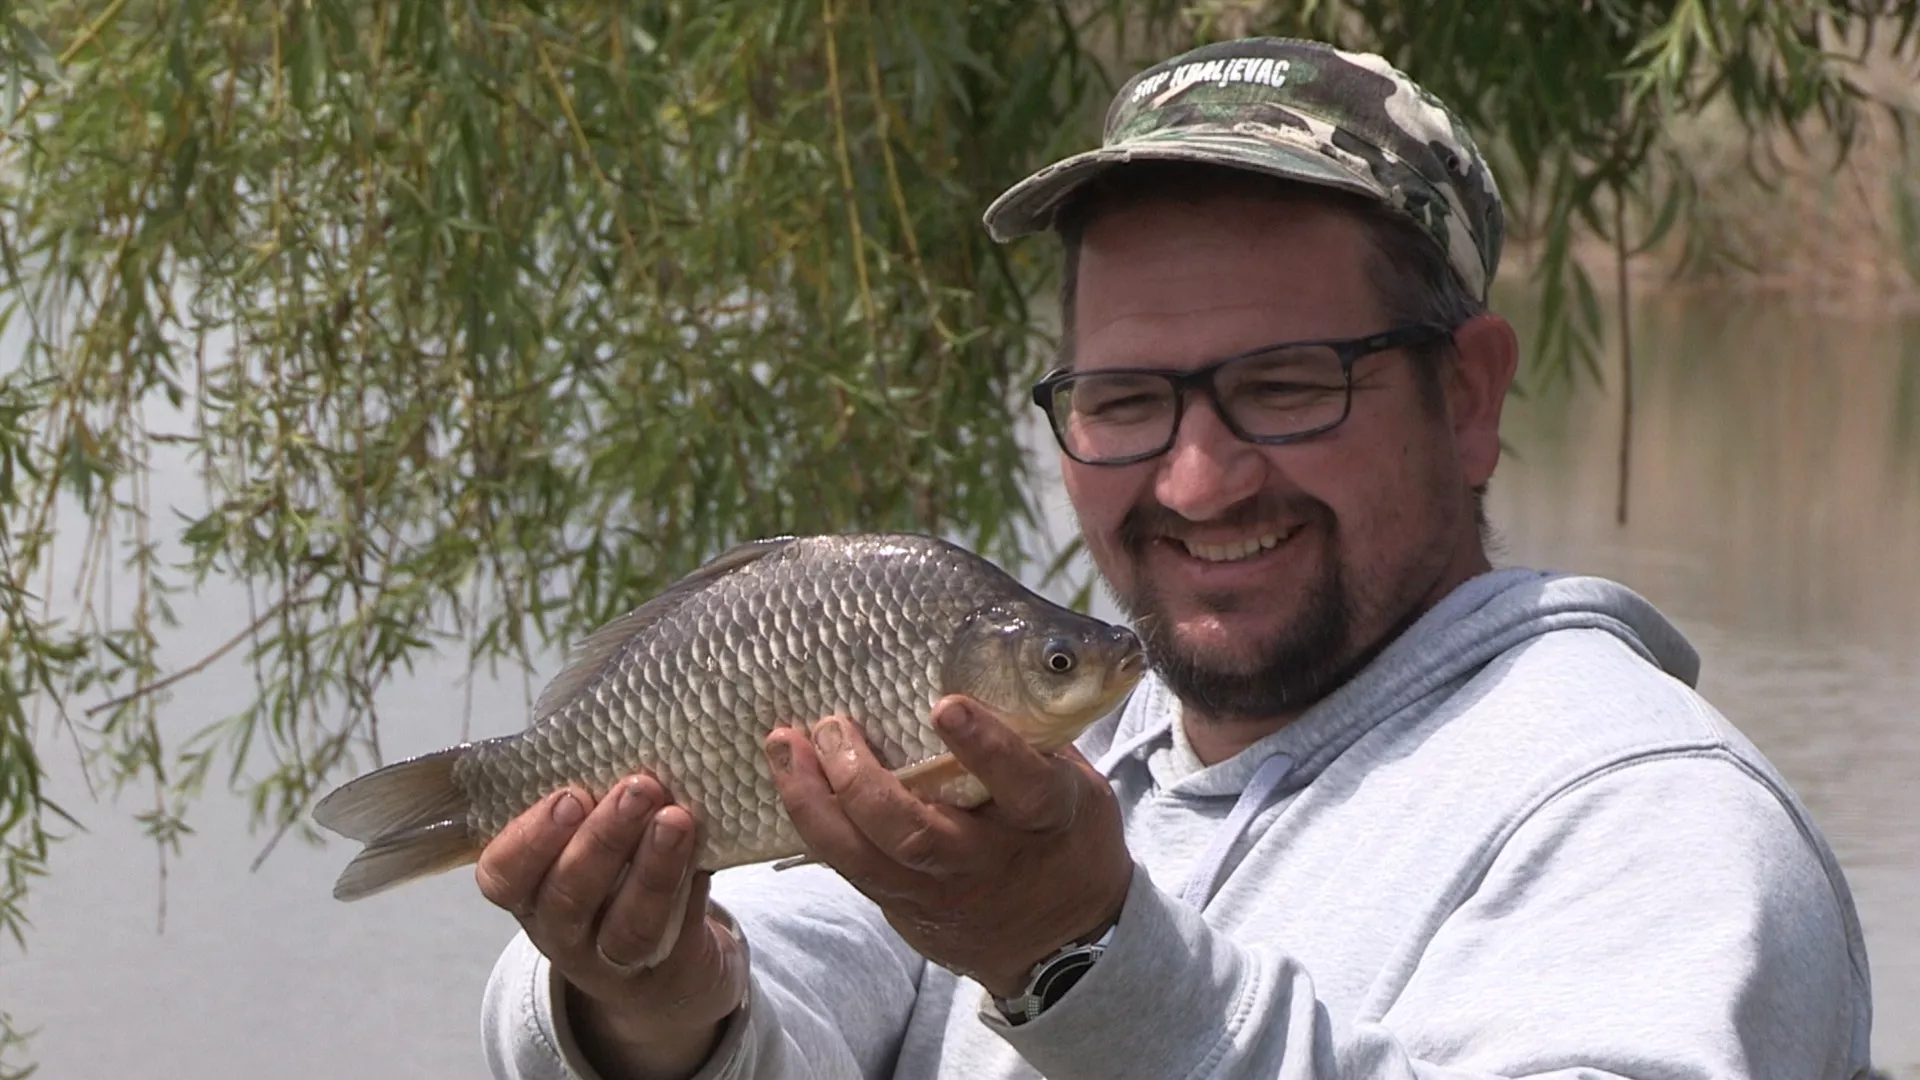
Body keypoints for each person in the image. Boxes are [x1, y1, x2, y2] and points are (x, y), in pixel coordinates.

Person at [475, 36, 1872, 1080]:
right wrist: (652, 998)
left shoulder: (1652, 824)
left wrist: (1080, 954)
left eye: (1287, 383)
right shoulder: (1081, 748)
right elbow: (813, 978)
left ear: (1469, 397)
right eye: (1128, 400)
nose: (1199, 479)